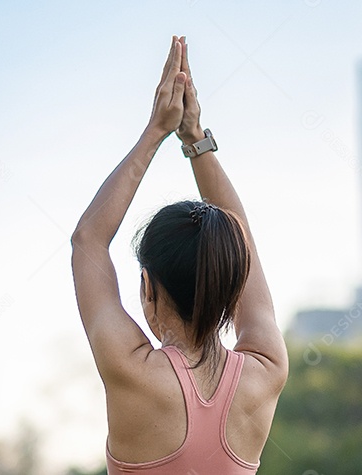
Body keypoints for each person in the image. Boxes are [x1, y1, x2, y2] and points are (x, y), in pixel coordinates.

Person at [70, 35, 288, 473]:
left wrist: (157, 130)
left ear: (147, 287)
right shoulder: (265, 372)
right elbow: (241, 243)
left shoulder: (132, 371)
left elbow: (88, 240)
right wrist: (195, 138)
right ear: (234, 281)